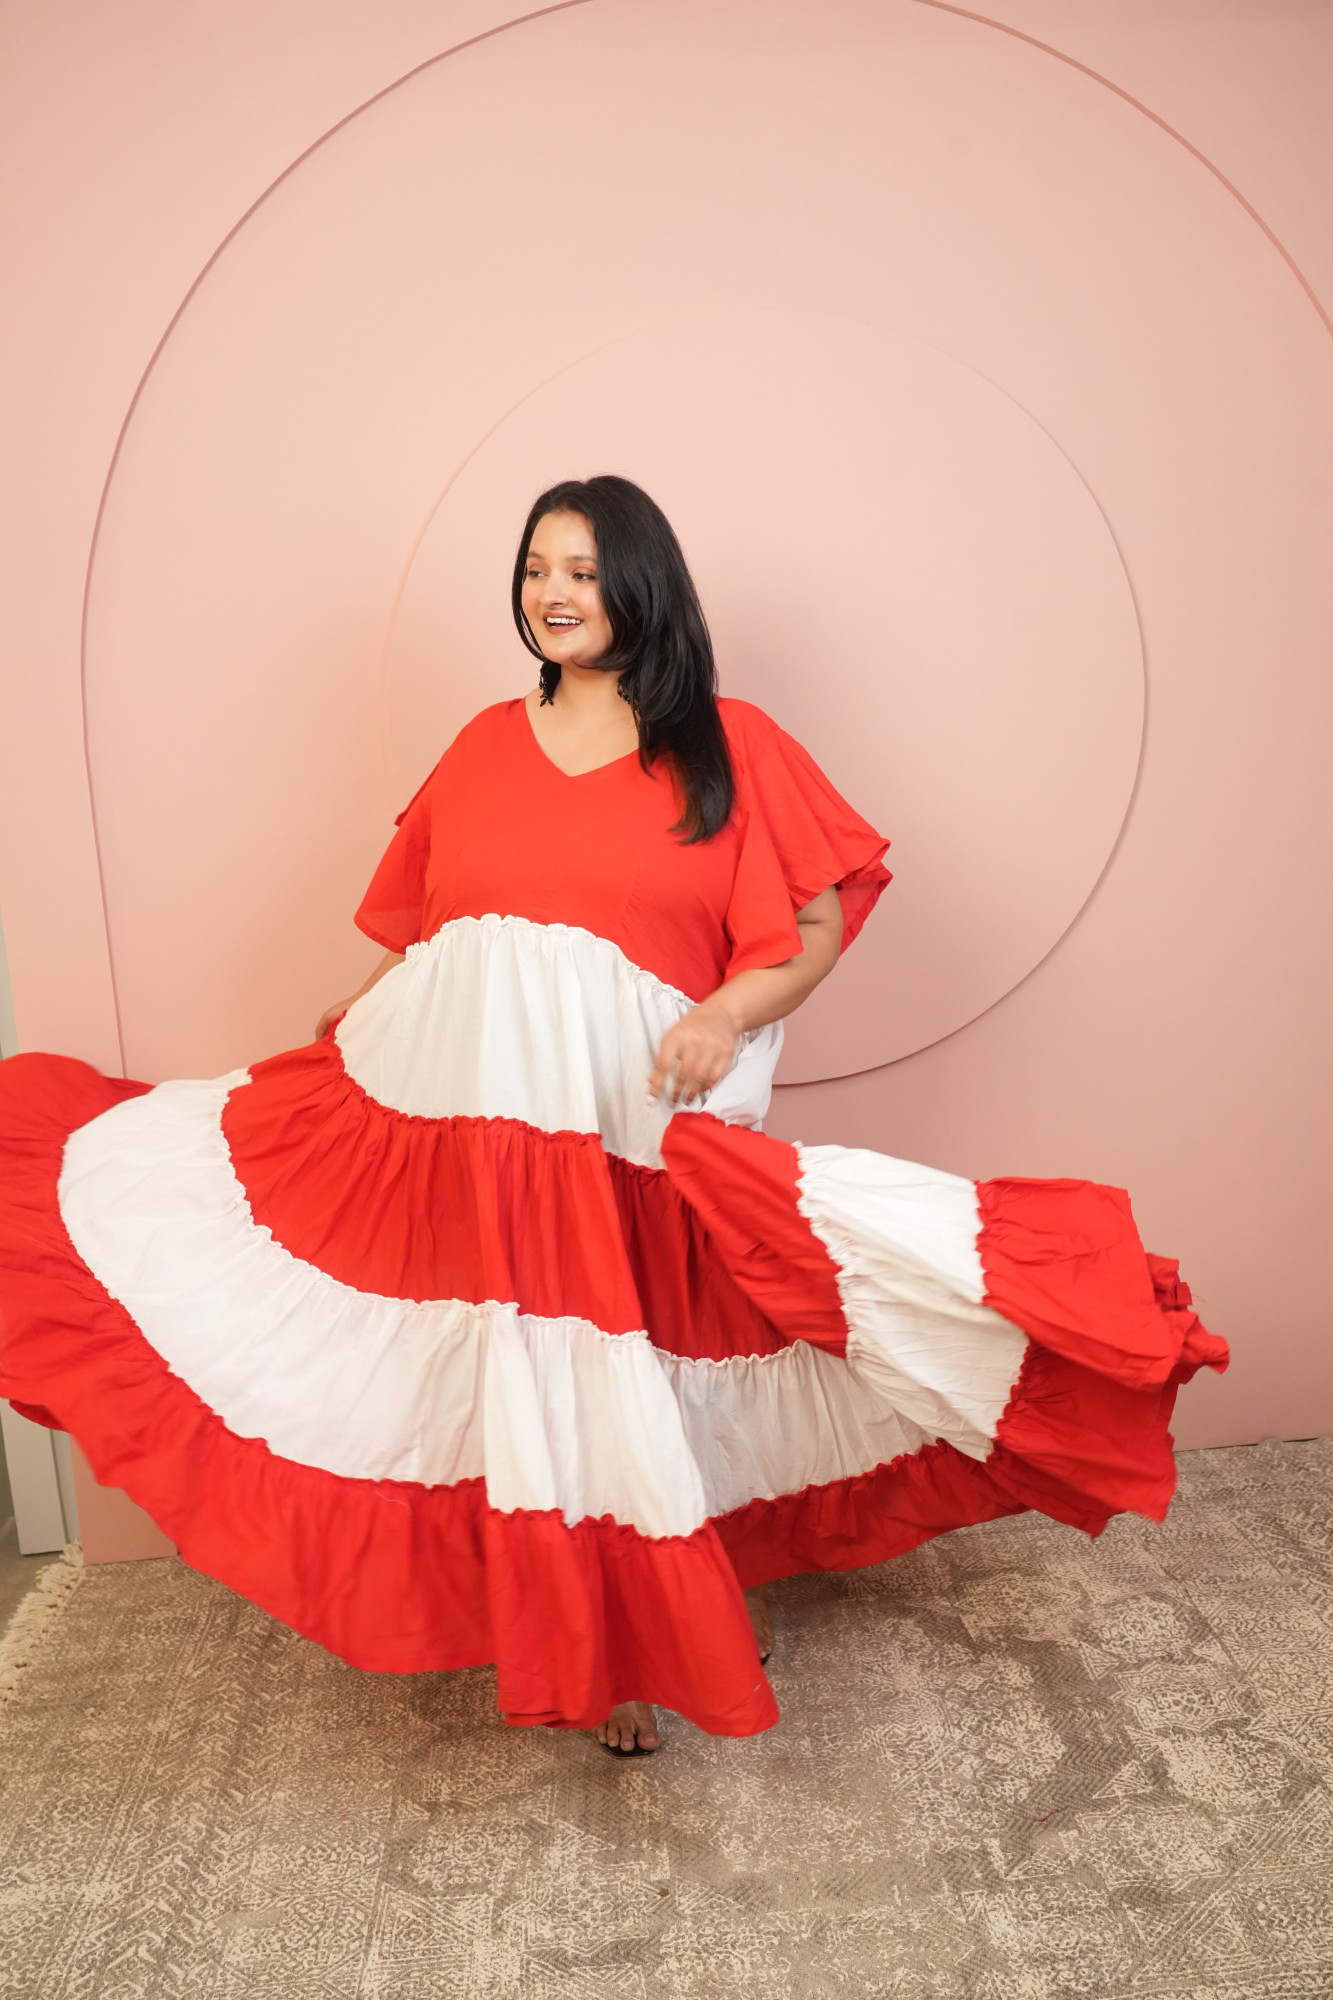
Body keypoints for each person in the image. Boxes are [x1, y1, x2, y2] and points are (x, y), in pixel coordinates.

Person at [0, 475, 1226, 1755]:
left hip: (637, 1119)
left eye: (581, 570)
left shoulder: (728, 741)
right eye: (537, 568)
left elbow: (812, 927)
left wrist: (724, 1013)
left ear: (639, 583)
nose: (553, 592)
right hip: (484, 1123)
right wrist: (359, 1013)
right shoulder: (482, 743)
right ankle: (606, 1641)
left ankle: (686, 1589)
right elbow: (436, 929)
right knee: (533, 1368)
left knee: (658, 1360)